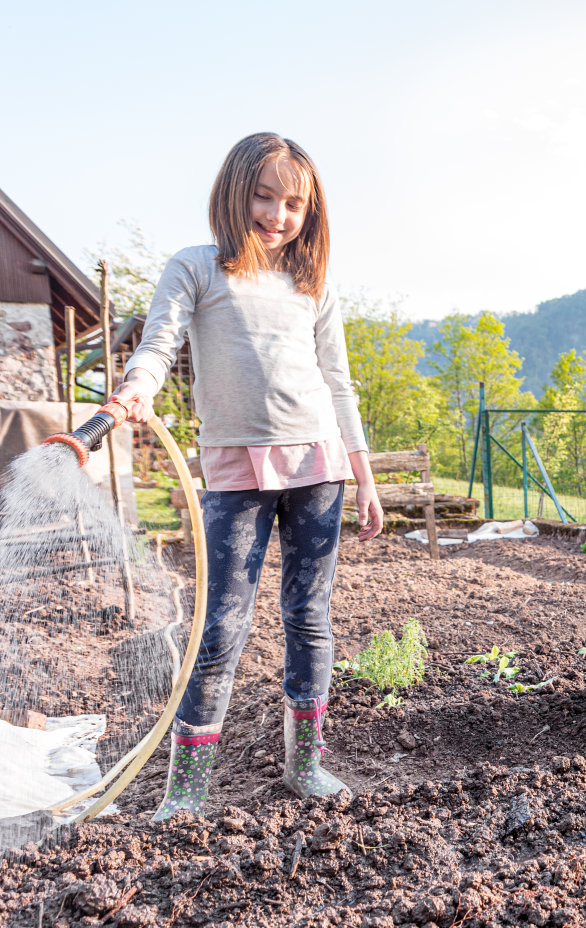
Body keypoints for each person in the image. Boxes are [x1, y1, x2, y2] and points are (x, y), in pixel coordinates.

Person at [107, 132, 382, 821]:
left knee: (308, 617)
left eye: (294, 203)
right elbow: (158, 342)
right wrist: (138, 386)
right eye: (264, 196)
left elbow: (338, 382)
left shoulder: (310, 282)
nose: (277, 214)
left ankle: (307, 765)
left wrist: (364, 472)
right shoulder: (198, 267)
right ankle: (188, 787)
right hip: (234, 471)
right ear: (234, 192)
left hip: (318, 465)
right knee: (220, 625)